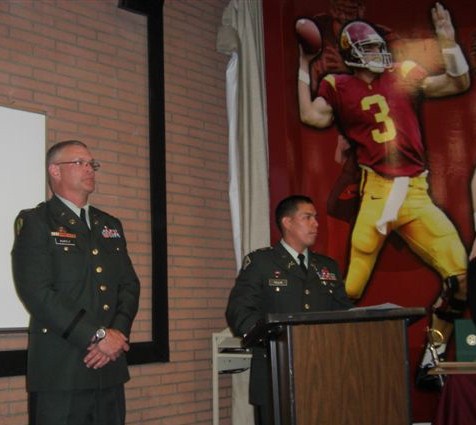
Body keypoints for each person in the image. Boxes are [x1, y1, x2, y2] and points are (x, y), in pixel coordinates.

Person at [297, 2, 470, 390]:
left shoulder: (404, 74)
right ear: (353, 54)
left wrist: (447, 42)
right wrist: (304, 65)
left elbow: (456, 83)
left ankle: (433, 356)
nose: (380, 54)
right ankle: (315, 355)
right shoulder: (339, 85)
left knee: (461, 277)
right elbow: (312, 116)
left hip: (416, 193)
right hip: (376, 194)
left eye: (379, 46)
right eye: (371, 48)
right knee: (350, 290)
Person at [11, 140, 140, 425]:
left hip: (109, 369)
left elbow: (129, 286)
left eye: (91, 163)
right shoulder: (36, 221)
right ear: (55, 171)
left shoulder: (110, 225)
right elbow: (36, 292)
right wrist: (97, 336)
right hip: (61, 370)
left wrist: (116, 334)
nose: (89, 169)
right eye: (79, 162)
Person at [226, 195, 353, 425]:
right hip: (276, 374)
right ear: (287, 222)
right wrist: (275, 338)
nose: (316, 223)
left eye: (315, 217)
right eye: (307, 217)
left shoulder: (327, 266)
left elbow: (344, 313)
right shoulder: (261, 263)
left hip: (324, 374)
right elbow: (239, 311)